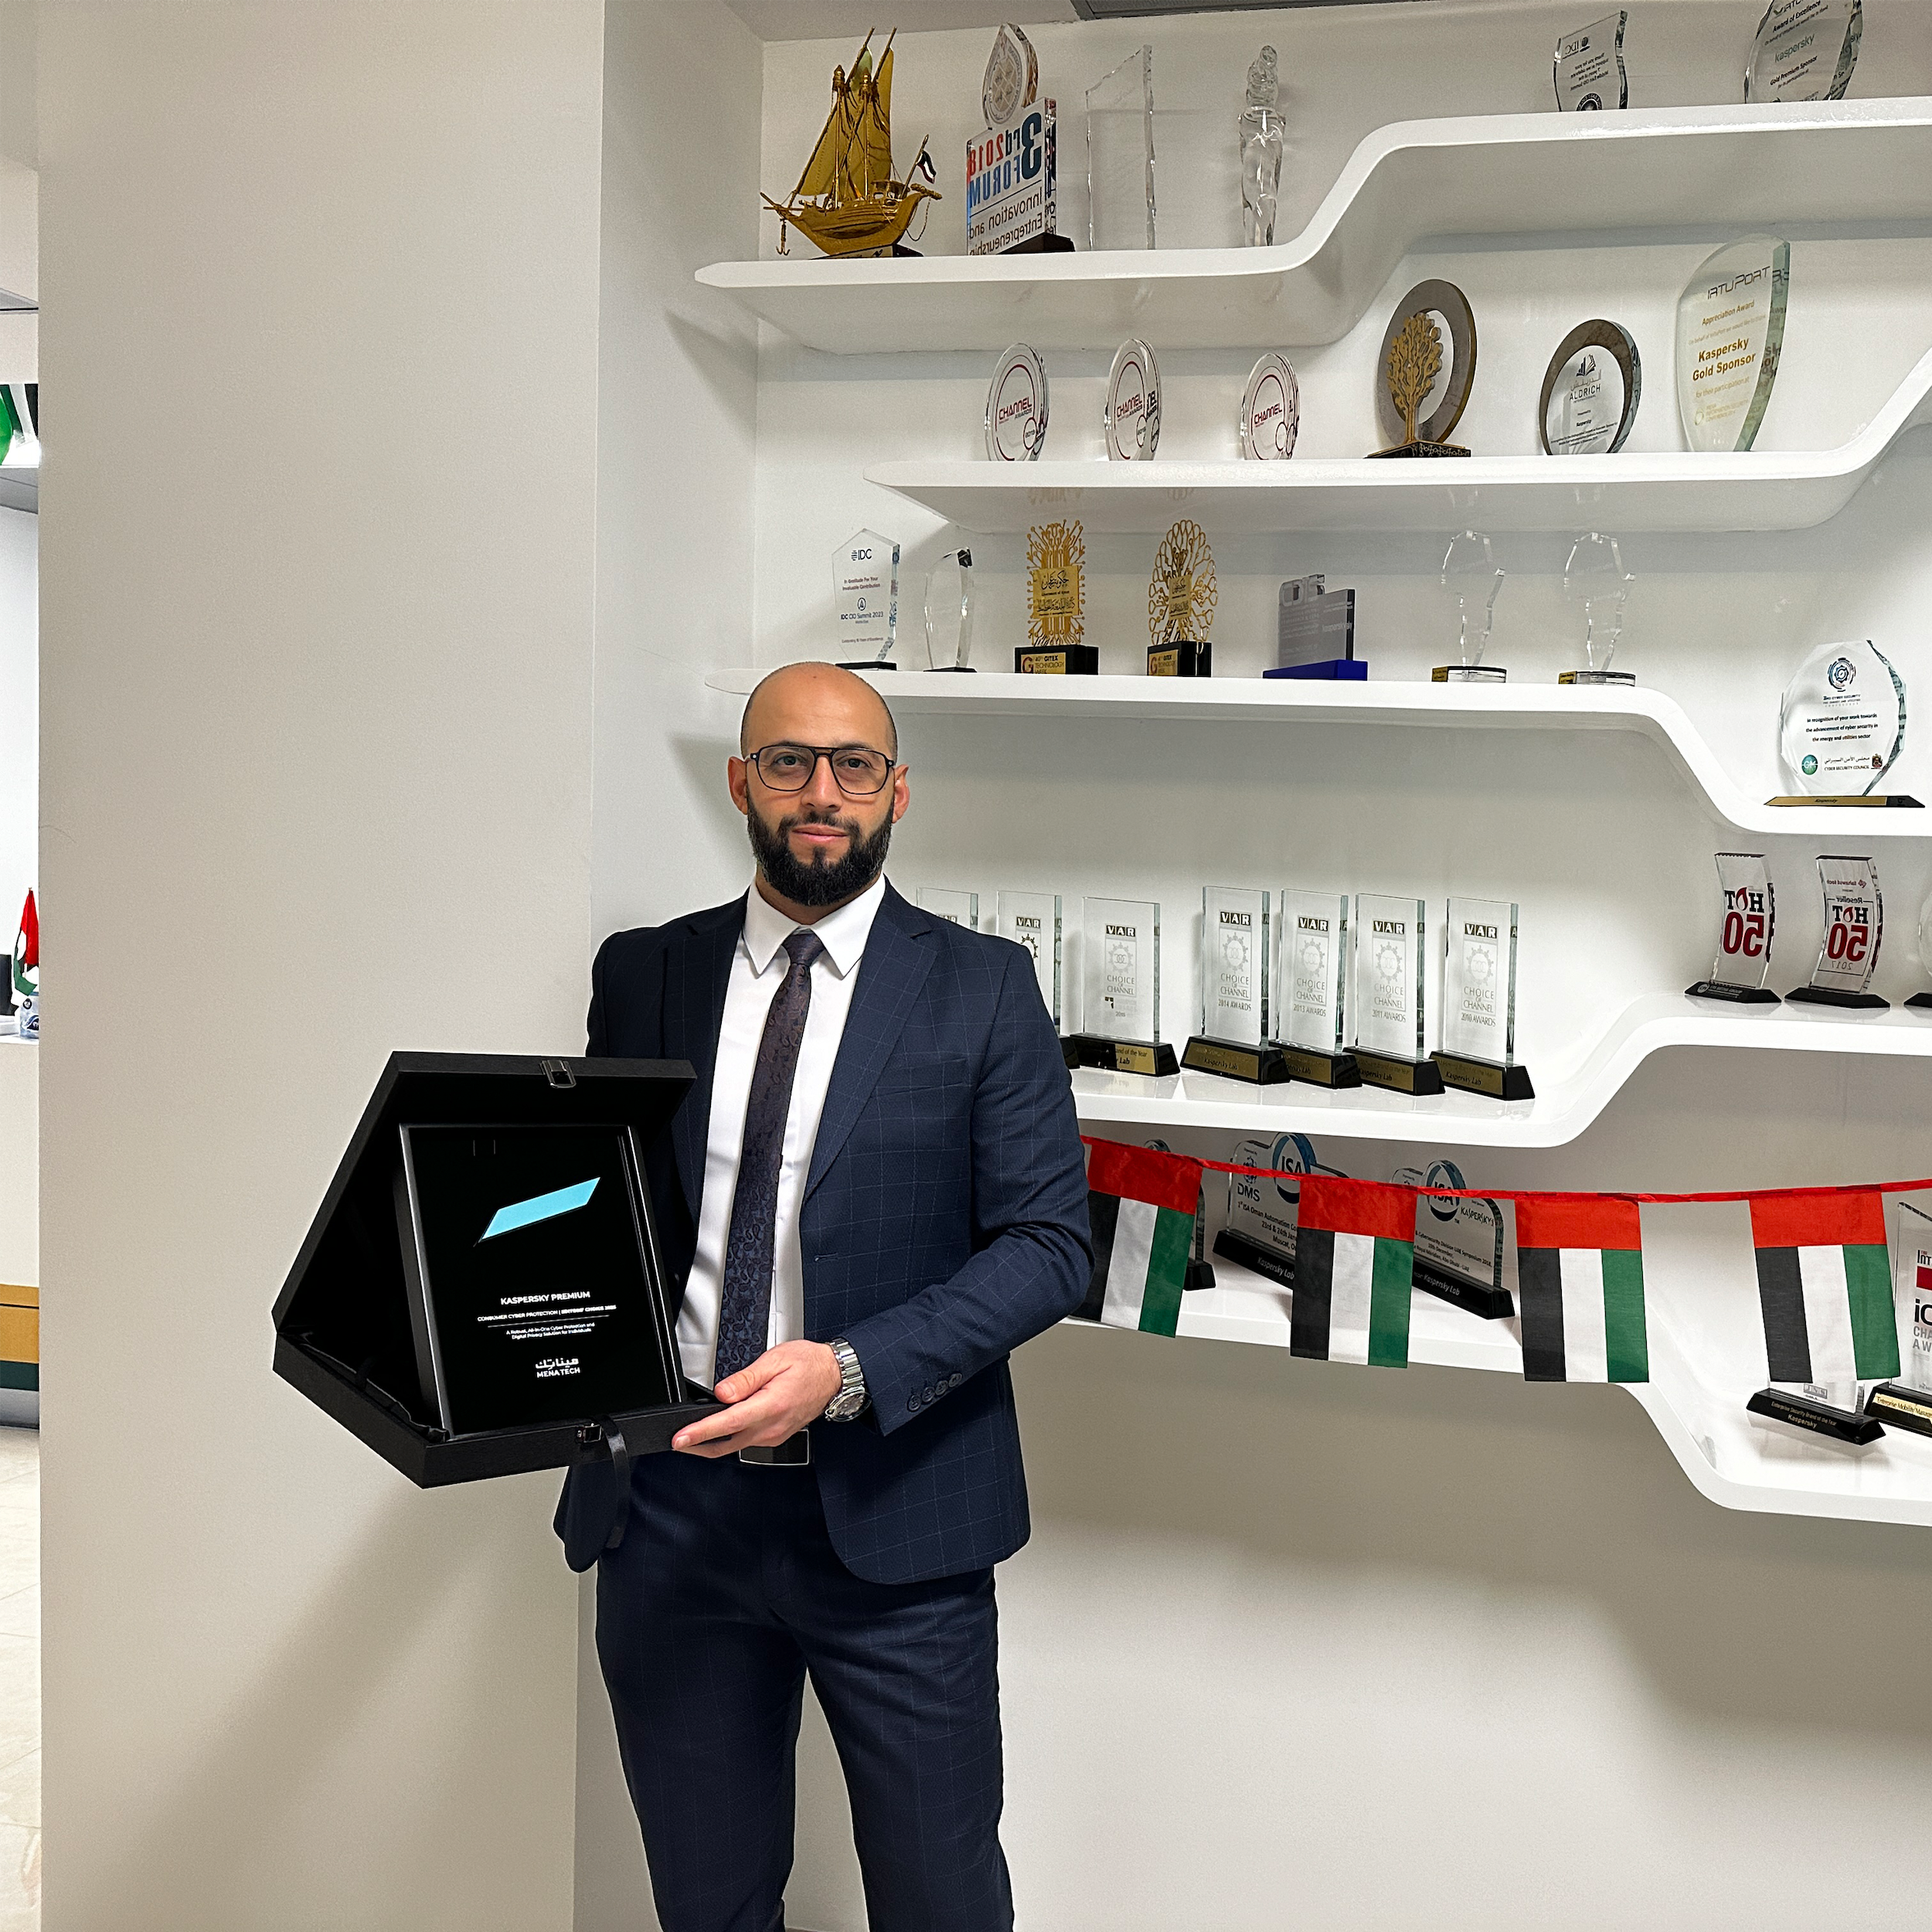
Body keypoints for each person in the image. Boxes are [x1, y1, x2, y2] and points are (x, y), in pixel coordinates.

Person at [556, 662, 1091, 1932]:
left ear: (897, 791)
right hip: (671, 1509)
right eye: (789, 762)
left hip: (898, 1521)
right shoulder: (646, 974)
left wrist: (842, 1371)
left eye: (854, 765)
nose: (821, 793)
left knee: (941, 1900)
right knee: (710, 1901)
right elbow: (597, 1218)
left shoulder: (982, 987)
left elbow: (1046, 1244)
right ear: (743, 783)